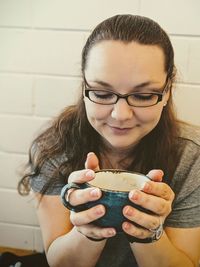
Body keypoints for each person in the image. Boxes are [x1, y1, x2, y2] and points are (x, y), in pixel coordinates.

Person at [18, 14, 200, 267]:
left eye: (144, 95)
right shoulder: (54, 147)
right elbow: (60, 263)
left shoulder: (192, 157)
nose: (120, 115)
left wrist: (148, 232)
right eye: (102, 94)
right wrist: (87, 229)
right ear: (84, 88)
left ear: (167, 91)